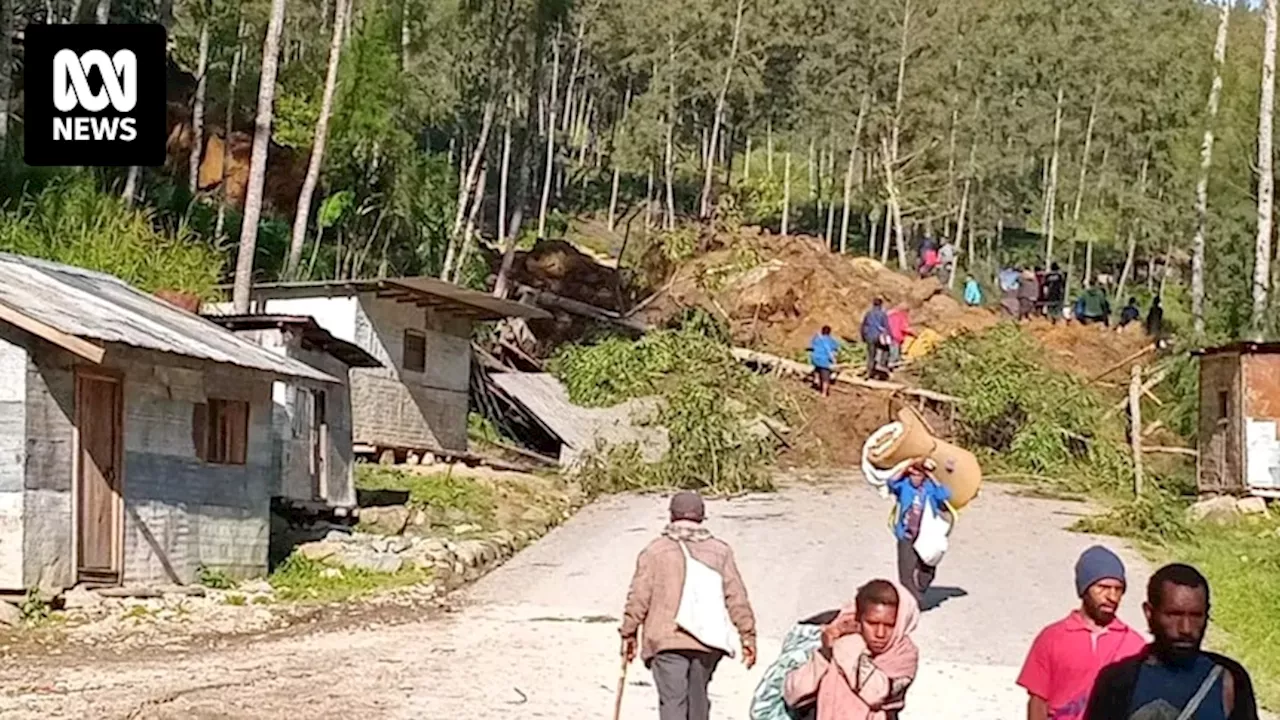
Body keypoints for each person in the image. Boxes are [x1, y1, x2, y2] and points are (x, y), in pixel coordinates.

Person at [620, 492, 758, 720]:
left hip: (666, 640)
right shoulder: (720, 552)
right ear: (702, 517)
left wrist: (628, 632)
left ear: (671, 515)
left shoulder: (654, 551)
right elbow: (737, 597)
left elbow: (639, 597)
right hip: (707, 642)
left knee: (673, 702)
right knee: (698, 702)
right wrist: (747, 635)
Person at [1084, 563, 1258, 720]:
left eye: (1196, 616)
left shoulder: (1229, 679)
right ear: (1149, 613)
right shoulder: (1118, 682)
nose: (1186, 628)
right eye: (1174, 615)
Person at [1017, 546, 1148, 720]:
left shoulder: (1135, 645)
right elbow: (1037, 701)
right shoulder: (1052, 638)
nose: (1112, 596)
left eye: (1118, 589)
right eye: (1103, 587)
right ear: (1084, 589)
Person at [782, 580, 921, 720]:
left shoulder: (903, 656)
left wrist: (850, 645)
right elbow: (794, 694)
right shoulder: (835, 637)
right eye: (872, 623)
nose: (880, 633)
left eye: (889, 626)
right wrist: (825, 654)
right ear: (859, 620)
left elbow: (876, 693)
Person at [886, 459, 952, 606]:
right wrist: (906, 467)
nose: (915, 478)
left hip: (925, 535)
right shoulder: (904, 486)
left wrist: (932, 475)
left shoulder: (929, 489)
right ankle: (911, 601)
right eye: (913, 475)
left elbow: (945, 495)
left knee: (927, 568)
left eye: (918, 475)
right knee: (906, 571)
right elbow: (891, 482)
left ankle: (919, 591)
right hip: (906, 533)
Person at [860, 298, 891, 379]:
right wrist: (889, 336)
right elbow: (886, 326)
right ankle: (882, 364)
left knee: (871, 355)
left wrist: (863, 336)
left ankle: (869, 371)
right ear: (881, 305)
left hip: (869, 336)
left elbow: (863, 325)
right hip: (878, 336)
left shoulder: (868, 313)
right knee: (886, 349)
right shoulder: (882, 314)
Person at [809, 326, 841, 397]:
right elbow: (837, 348)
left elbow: (811, 346)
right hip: (824, 361)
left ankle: (816, 380)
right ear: (829, 333)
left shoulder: (817, 339)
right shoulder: (831, 340)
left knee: (817, 370)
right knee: (825, 379)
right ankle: (824, 393)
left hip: (815, 359)